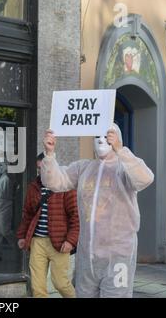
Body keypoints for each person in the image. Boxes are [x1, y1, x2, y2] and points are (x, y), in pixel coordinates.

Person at [41, 123, 154, 298]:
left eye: (107, 135)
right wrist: (49, 154)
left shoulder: (124, 168)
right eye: (97, 136)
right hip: (87, 257)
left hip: (118, 255)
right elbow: (55, 181)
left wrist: (121, 150)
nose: (101, 139)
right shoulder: (83, 168)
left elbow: (145, 178)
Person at [16, 153, 79, 298]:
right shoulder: (34, 187)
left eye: (43, 167)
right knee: (37, 287)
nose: (41, 171)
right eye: (38, 168)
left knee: (60, 283)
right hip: (37, 242)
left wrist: (71, 241)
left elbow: (76, 216)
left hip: (59, 242)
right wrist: (22, 236)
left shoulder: (65, 186)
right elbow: (27, 214)